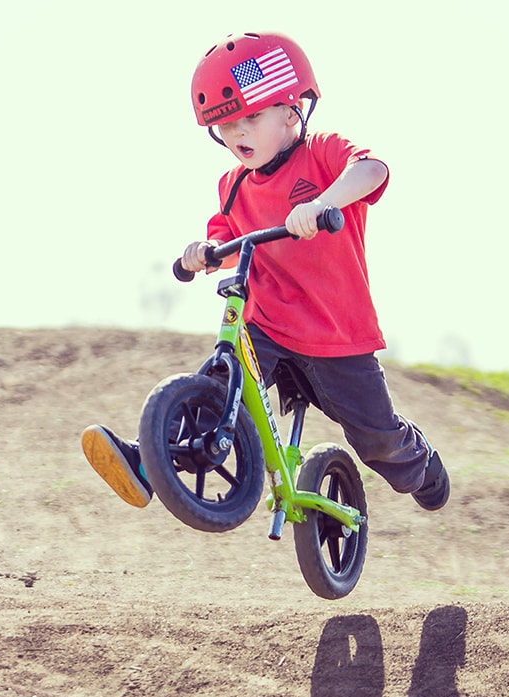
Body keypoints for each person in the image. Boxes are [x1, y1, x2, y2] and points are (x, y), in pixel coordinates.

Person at [82, 30, 449, 512]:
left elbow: (373, 170)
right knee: (217, 382)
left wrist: (321, 203)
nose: (239, 134)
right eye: (227, 125)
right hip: (268, 326)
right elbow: (224, 240)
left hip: (337, 335)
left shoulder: (322, 152)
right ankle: (146, 461)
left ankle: (417, 461)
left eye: (252, 117)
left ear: (291, 108)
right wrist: (205, 250)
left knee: (376, 441)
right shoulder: (232, 185)